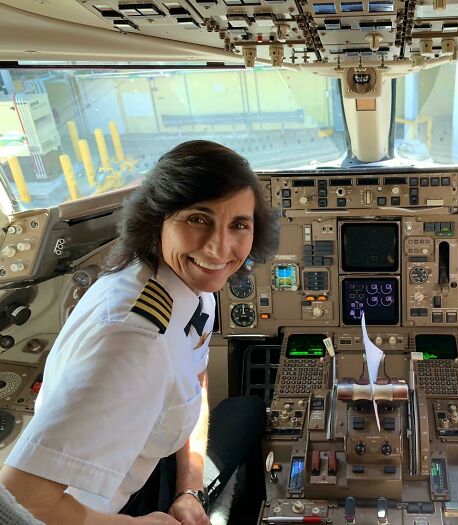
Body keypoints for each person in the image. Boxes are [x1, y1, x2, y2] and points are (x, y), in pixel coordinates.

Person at [0, 140, 279, 524]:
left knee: (248, 409)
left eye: (239, 225)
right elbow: (23, 499)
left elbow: (193, 380)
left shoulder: (190, 285)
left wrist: (188, 490)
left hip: (151, 464)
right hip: (95, 509)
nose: (219, 249)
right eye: (198, 218)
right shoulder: (133, 340)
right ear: (156, 219)